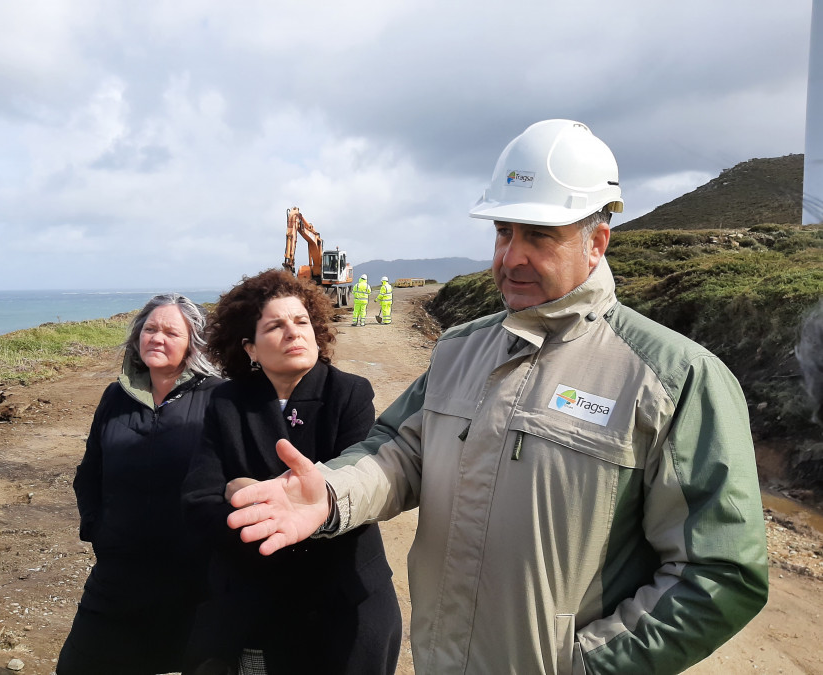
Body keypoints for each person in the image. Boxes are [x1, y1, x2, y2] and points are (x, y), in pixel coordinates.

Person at [225, 120, 769, 674]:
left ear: (597, 242)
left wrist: (587, 667)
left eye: (539, 235)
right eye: (504, 231)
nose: (510, 257)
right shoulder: (460, 350)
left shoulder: (673, 379)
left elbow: (720, 574)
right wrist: (333, 494)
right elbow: (400, 450)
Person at [181, 269, 402, 675]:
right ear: (249, 347)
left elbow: (354, 491)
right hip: (256, 595)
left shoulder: (349, 393)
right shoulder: (227, 403)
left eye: (301, 322)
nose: (293, 333)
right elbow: (198, 500)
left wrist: (242, 491)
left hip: (343, 598)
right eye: (276, 325)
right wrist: (253, 506)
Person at [57, 293, 222, 675]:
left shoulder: (219, 398)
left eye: (171, 332)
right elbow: (90, 471)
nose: (157, 338)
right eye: (150, 329)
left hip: (192, 582)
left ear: (193, 343)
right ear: (136, 337)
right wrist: (99, 529)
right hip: (118, 575)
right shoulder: (116, 396)